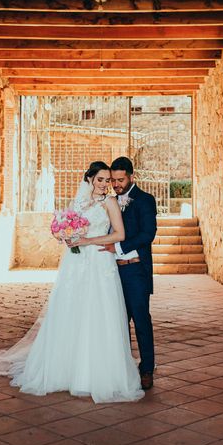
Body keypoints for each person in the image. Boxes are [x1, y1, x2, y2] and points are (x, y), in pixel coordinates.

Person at [0, 161, 144, 403]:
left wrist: (88, 241)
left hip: (99, 263)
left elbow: (119, 235)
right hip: (75, 264)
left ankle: (97, 373)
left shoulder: (111, 202)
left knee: (98, 312)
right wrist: (65, 235)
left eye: (108, 180)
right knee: (70, 311)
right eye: (101, 179)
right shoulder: (78, 202)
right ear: (91, 179)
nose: (105, 185)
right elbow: (68, 226)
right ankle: (65, 369)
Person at [99, 157, 157, 390]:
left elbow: (147, 234)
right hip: (111, 272)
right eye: (113, 180)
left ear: (132, 176)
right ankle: (121, 367)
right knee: (118, 322)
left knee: (141, 322)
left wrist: (120, 247)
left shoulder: (145, 200)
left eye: (120, 180)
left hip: (135, 270)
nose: (115, 184)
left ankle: (147, 369)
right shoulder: (108, 200)